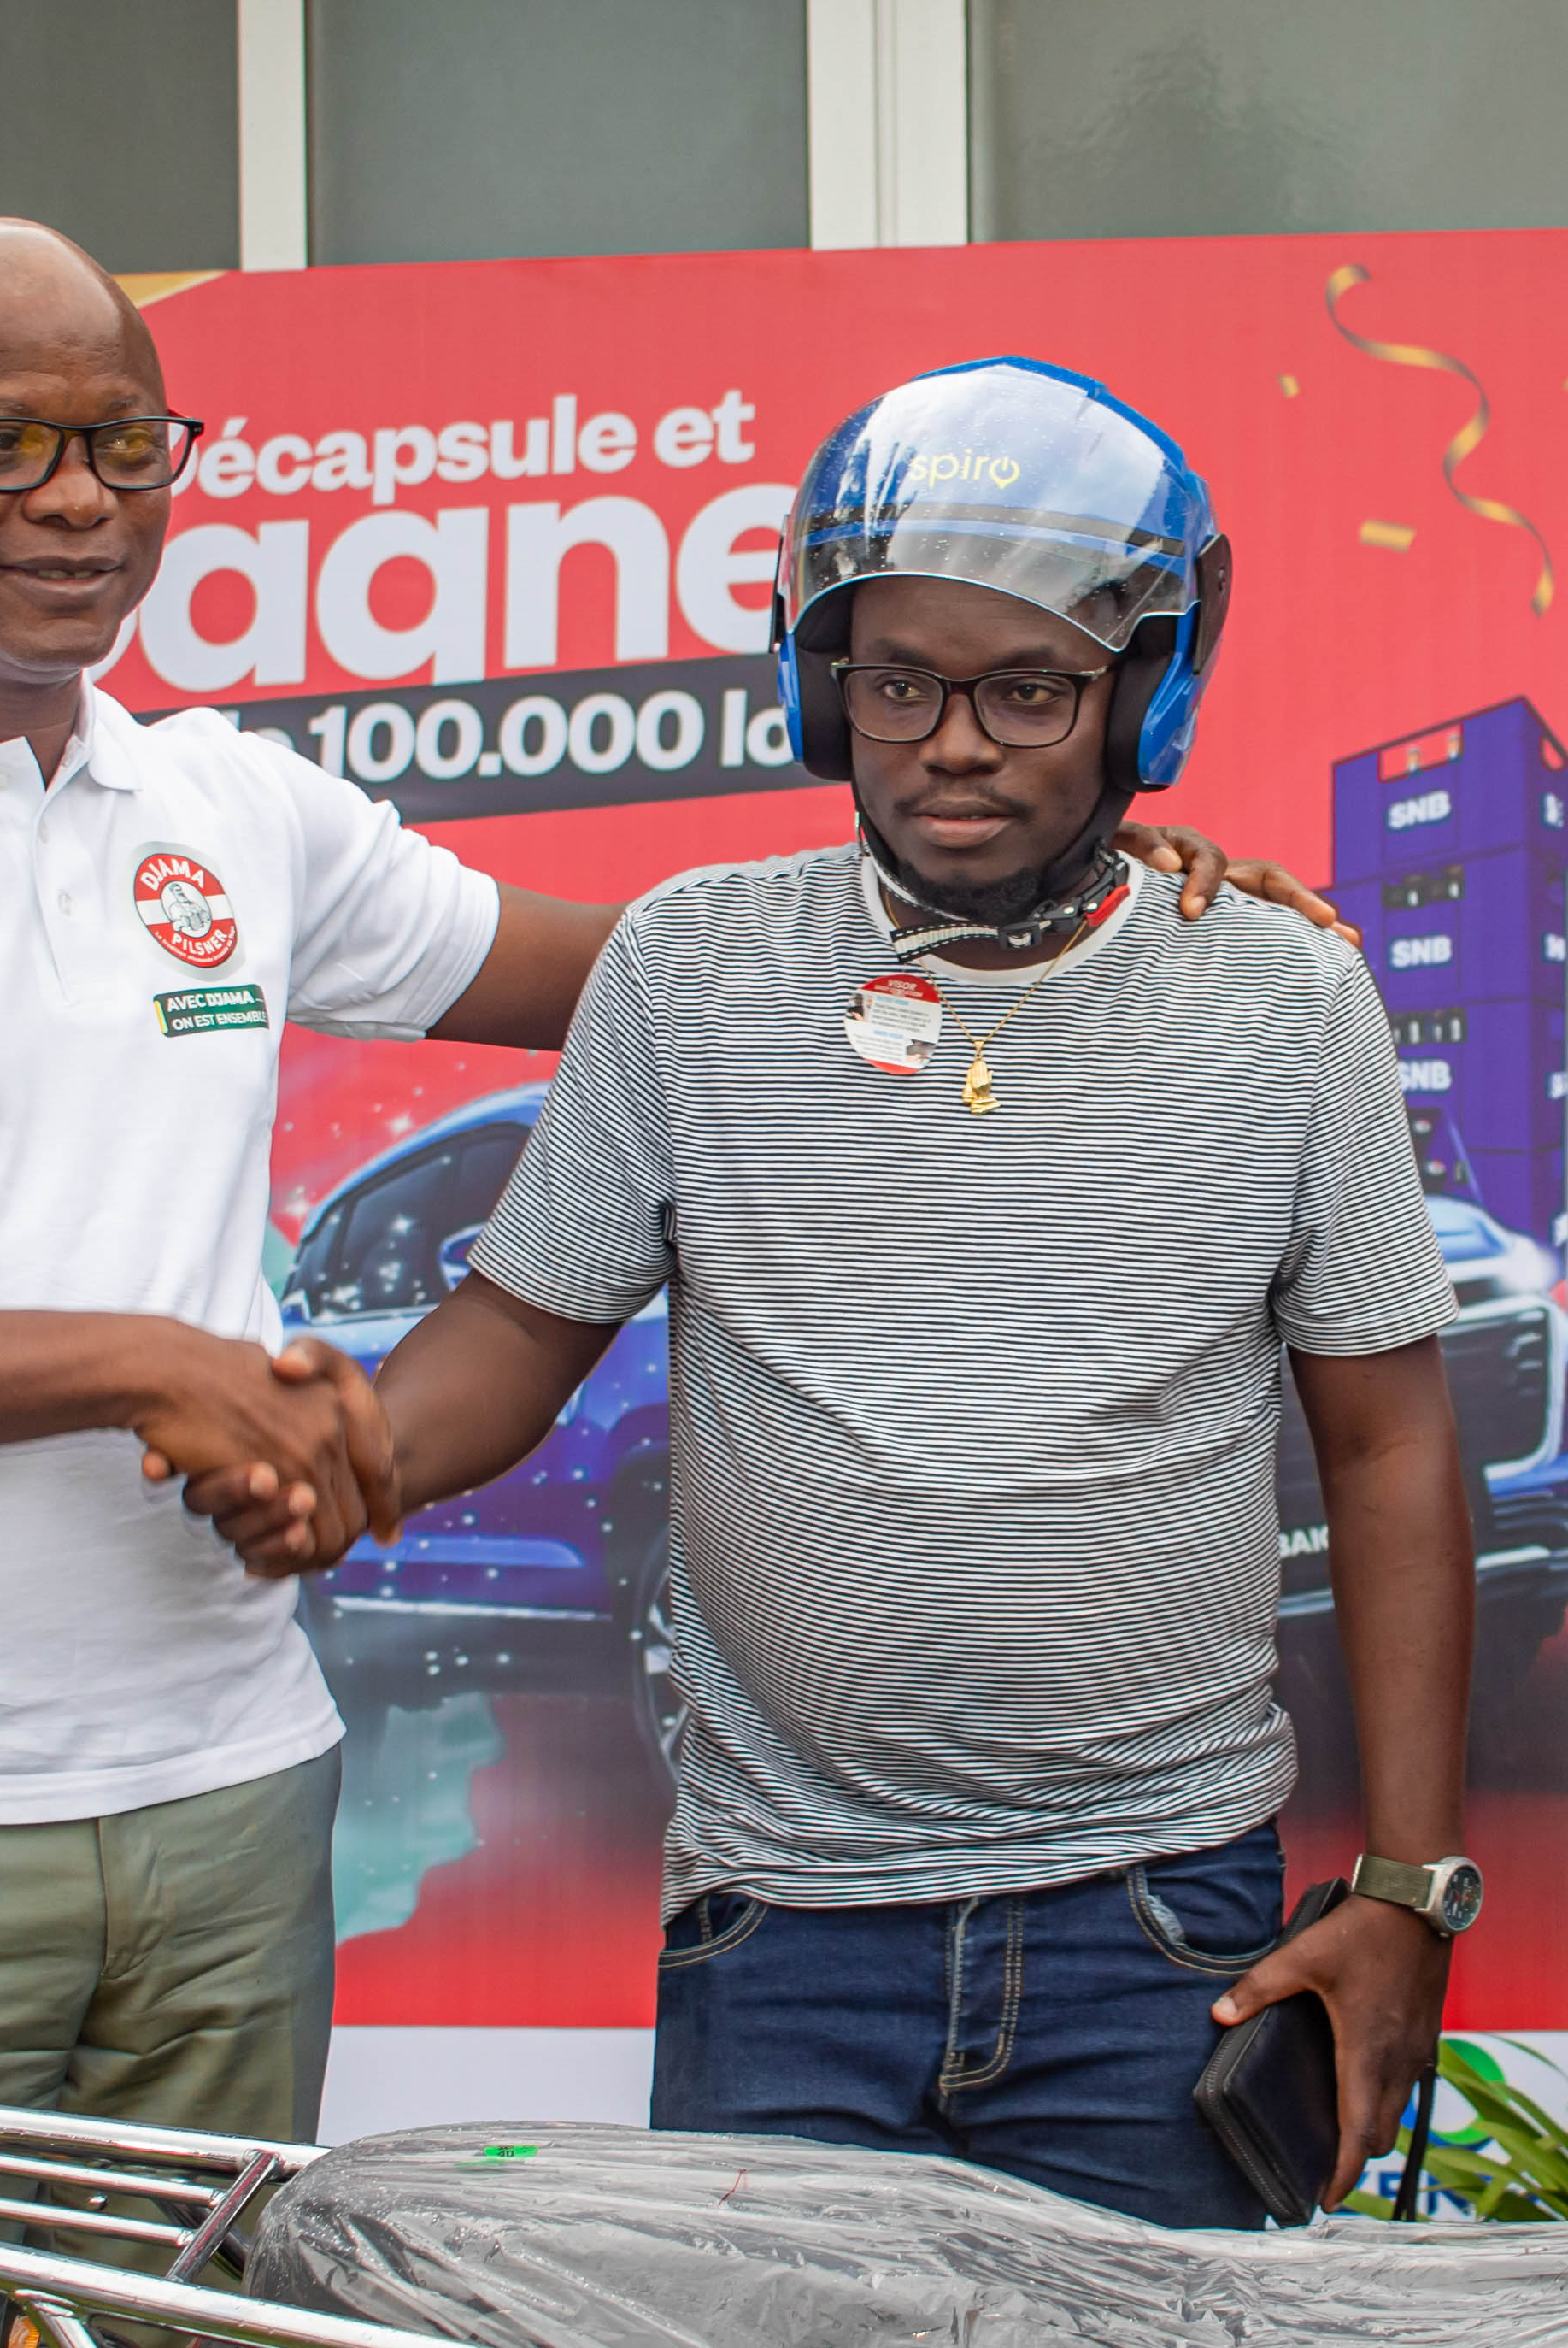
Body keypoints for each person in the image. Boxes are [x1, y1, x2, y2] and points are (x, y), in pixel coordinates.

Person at [0, 224, 1303, 2348]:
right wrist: (134, 1360)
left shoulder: (215, 805)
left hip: (231, 1810)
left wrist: (1110, 902)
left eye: (122, 443)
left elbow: (670, 972)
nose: (73, 499)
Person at [306, 360, 1476, 2232]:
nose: (954, 742)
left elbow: (1392, 1445)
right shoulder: (687, 967)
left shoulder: (1286, 995)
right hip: (783, 1931)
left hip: (1160, 1932)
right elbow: (516, 1336)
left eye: (1030, 688)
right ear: (818, 679)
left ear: (1145, 695)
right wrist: (329, 1447)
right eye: (898, 681)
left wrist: (1411, 1888)